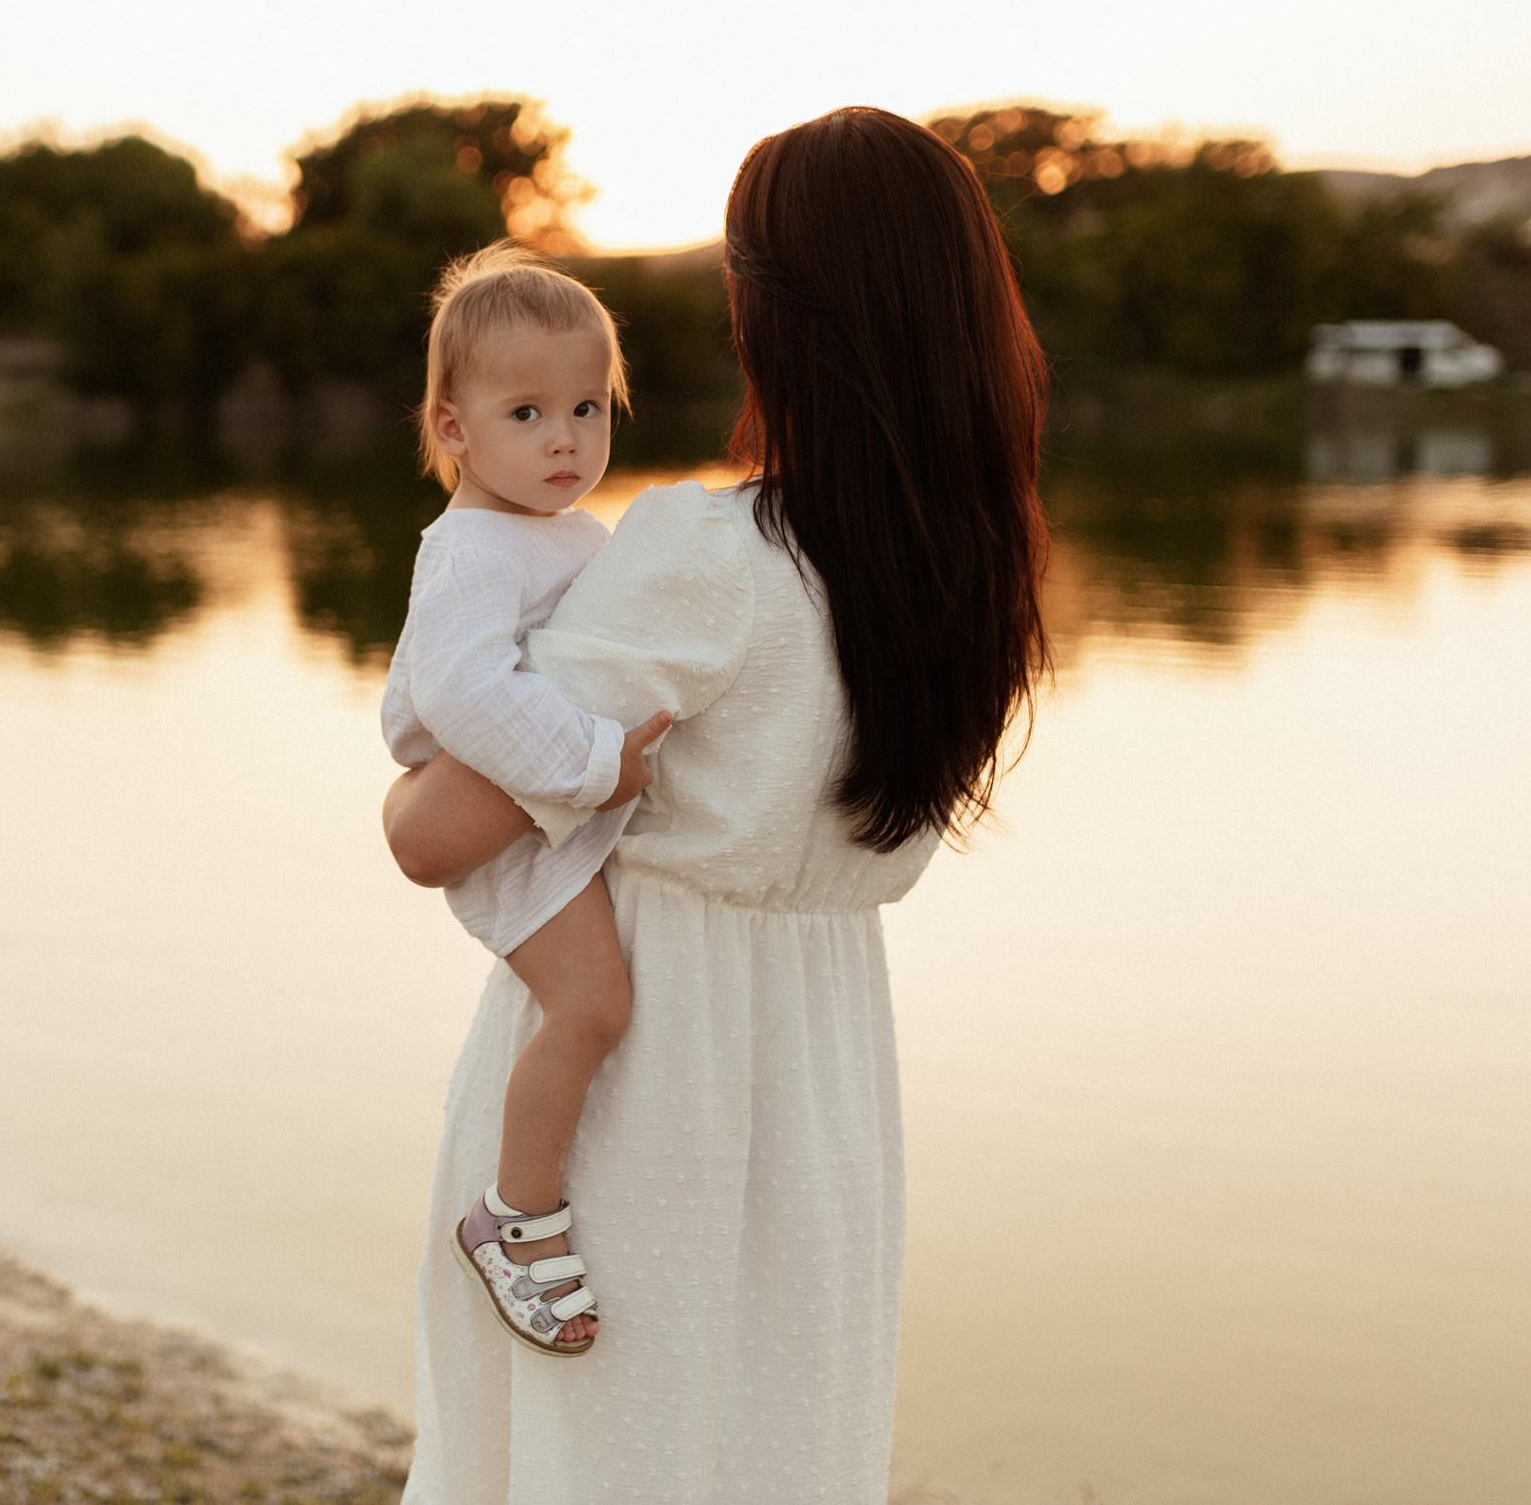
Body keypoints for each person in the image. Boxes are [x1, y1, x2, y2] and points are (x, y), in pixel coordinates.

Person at [383, 107, 1051, 1501]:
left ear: (768, 312)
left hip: (637, 1088)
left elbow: (435, 833)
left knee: (584, 1461)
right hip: (828, 1086)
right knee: (778, 1446)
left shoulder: (707, 552)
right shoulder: (975, 577)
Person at [380, 242, 677, 1357]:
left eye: (588, 408)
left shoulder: (568, 534)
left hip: (544, 812)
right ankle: (514, 1217)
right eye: (527, 413)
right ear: (453, 430)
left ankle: (524, 1204)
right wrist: (597, 767)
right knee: (592, 1007)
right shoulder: (469, 552)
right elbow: (463, 691)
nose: (566, 439)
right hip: (510, 834)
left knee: (602, 1003)